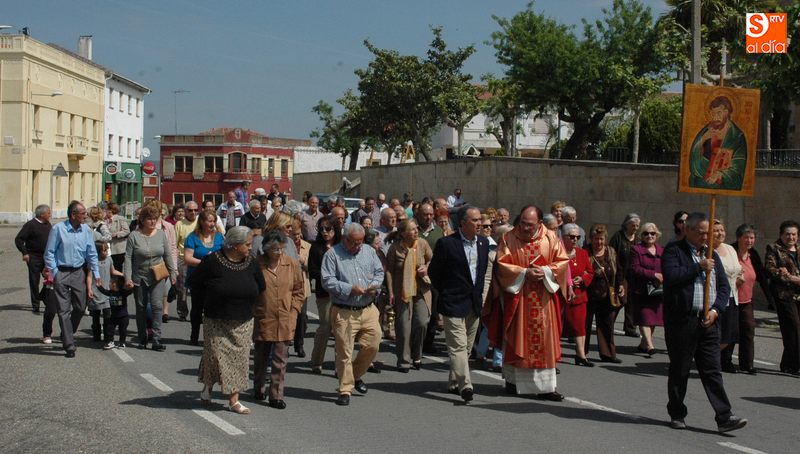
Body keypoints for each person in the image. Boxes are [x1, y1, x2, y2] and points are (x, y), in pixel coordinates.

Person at [662, 212, 746, 433]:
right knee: (680, 368)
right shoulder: (674, 251)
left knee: (712, 370)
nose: (705, 237)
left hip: (708, 321)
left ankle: (724, 416)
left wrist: (717, 310)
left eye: (707, 233)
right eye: (700, 233)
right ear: (687, 230)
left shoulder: (712, 255)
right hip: (683, 321)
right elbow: (672, 277)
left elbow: (724, 288)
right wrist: (698, 267)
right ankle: (677, 412)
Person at [483, 205, 569, 401]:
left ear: (539, 223)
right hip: (519, 299)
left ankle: (546, 388)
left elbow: (562, 262)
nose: (525, 227)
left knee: (544, 341)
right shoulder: (509, 238)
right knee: (517, 338)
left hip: (543, 300)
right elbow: (502, 264)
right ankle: (513, 382)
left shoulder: (551, 238)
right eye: (522, 222)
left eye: (530, 224)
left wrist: (546, 271)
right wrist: (524, 273)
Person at [190, 226, 265, 415]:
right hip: (216, 319)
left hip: (243, 320)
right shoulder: (212, 262)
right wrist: (203, 307)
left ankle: (234, 400)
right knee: (214, 356)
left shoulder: (252, 263)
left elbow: (261, 286)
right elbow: (196, 284)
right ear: (234, 245)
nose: (250, 248)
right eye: (247, 244)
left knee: (239, 360)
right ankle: (208, 385)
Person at [428, 206, 489, 403]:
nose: (479, 223)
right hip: (452, 302)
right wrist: (445, 292)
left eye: (480, 220)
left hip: (473, 303)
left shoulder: (483, 243)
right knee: (458, 346)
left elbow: (482, 273)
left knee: (467, 347)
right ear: (463, 223)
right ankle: (466, 385)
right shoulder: (447, 243)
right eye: (475, 220)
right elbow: (434, 273)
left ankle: (454, 381)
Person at [321, 223, 385, 406]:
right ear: (345, 239)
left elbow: (379, 272)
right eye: (354, 243)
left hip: (368, 308)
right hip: (344, 310)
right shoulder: (332, 255)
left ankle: (355, 375)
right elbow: (327, 280)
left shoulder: (369, 251)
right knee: (344, 352)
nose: (358, 246)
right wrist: (349, 289)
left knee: (373, 344)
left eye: (361, 242)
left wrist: (374, 286)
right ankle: (345, 389)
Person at [252, 230, 304, 409]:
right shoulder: (256, 264)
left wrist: (294, 311)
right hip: (263, 317)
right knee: (261, 357)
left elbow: (299, 290)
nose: (279, 253)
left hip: (285, 318)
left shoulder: (291, 264)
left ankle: (276, 395)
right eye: (275, 249)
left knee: (280, 360)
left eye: (281, 249)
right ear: (266, 249)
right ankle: (258, 387)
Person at [44, 201, 101, 358]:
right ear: (73, 215)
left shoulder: (86, 230)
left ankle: (67, 332)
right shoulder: (58, 229)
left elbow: (91, 253)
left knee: (80, 307)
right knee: (63, 310)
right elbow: (49, 252)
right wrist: (55, 272)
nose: (85, 216)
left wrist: (96, 273)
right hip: (61, 271)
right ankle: (69, 344)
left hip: (78, 272)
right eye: (83, 213)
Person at [124, 205, 177, 351]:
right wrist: (127, 277)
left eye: (155, 219)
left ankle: (156, 338)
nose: (153, 222)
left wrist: (173, 273)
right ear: (142, 220)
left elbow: (167, 255)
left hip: (157, 275)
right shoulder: (134, 236)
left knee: (157, 306)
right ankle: (142, 337)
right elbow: (128, 258)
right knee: (141, 307)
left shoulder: (160, 234)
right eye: (149, 219)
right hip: (139, 276)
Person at [386, 219, 433, 372]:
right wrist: (391, 292)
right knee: (404, 328)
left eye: (416, 228)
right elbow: (389, 271)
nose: (415, 231)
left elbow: (431, 259)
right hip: (403, 292)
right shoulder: (395, 248)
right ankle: (404, 360)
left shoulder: (422, 244)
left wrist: (426, 267)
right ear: (403, 233)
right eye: (412, 229)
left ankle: (417, 355)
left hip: (421, 290)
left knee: (421, 322)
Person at [731, 224, 772, 374]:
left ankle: (747, 364)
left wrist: (770, 300)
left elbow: (761, 276)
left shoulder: (753, 254)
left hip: (747, 299)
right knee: (731, 330)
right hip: (731, 298)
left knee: (748, 330)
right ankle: (725, 360)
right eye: (746, 237)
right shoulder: (731, 252)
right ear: (739, 238)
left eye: (752, 237)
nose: (749, 240)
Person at [184, 210, 225, 345]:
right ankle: (194, 334)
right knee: (197, 307)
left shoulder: (219, 237)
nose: (212, 224)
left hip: (215, 278)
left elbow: (226, 254)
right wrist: (205, 262)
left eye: (213, 221)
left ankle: (211, 336)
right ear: (202, 222)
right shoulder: (192, 237)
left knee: (213, 308)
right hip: (198, 278)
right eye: (209, 221)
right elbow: (188, 258)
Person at [764, 220, 800, 376]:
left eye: (794, 234)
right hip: (784, 295)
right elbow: (769, 269)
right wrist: (788, 277)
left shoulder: (799, 248)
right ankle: (795, 364)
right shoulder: (774, 248)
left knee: (794, 331)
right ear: (781, 235)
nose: (790, 237)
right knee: (793, 327)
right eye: (787, 234)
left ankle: (787, 363)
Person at [585, 224, 625, 363]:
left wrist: (620, 285)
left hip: (607, 294)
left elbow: (619, 270)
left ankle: (608, 353)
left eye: (601, 239)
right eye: (596, 239)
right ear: (591, 239)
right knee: (586, 324)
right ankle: (582, 352)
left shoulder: (611, 252)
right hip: (589, 294)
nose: (599, 242)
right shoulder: (585, 252)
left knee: (607, 324)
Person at [689, 95, 747, 191]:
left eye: (719, 113)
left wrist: (721, 174)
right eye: (713, 113)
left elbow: (739, 166)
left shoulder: (737, 136)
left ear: (726, 112)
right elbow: (693, 160)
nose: (716, 117)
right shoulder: (706, 131)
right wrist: (703, 139)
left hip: (723, 184)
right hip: (701, 181)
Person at [308, 216, 341, 374]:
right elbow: (312, 270)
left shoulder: (342, 246)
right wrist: (327, 277)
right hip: (324, 293)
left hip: (341, 293)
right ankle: (317, 360)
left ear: (335, 229)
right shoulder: (316, 247)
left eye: (328, 229)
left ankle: (339, 365)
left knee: (340, 330)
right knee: (326, 326)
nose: (324, 232)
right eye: (321, 229)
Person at [628, 222, 665, 357]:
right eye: (646, 233)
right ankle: (650, 346)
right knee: (644, 318)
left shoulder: (662, 251)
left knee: (652, 320)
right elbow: (634, 268)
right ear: (641, 236)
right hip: (641, 290)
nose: (649, 236)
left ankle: (643, 344)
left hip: (657, 291)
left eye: (652, 233)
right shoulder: (636, 250)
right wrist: (653, 274)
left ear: (657, 235)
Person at [562, 223, 594, 366]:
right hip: (561, 295)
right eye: (572, 236)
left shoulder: (582, 253)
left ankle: (581, 355)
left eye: (578, 237)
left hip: (579, 295)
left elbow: (590, 272)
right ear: (564, 237)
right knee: (558, 327)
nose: (575, 239)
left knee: (580, 326)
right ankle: (555, 357)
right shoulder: (558, 252)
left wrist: (582, 278)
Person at [712, 220, 743, 373]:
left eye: (722, 230)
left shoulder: (730, 248)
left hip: (733, 295)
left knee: (731, 333)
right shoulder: (709, 250)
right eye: (716, 230)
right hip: (717, 296)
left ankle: (716, 359)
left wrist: (740, 277)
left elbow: (737, 268)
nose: (720, 233)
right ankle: (709, 358)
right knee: (720, 333)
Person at [15, 204, 52, 313]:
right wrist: (25, 253)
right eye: (48, 213)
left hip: (47, 257)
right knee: (34, 280)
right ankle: (35, 304)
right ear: (42, 214)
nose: (50, 215)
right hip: (34, 257)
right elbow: (19, 239)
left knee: (50, 279)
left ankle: (43, 296)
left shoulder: (47, 224)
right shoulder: (30, 225)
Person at [609, 213, 641, 338]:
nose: (635, 227)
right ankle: (609, 324)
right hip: (620, 272)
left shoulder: (637, 238)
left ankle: (630, 327)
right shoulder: (618, 237)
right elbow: (612, 253)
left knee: (632, 302)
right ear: (626, 224)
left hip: (633, 274)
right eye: (633, 225)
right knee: (620, 300)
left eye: (637, 225)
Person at [290, 217, 312, 358]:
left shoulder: (307, 246)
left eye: (298, 234)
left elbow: (312, 267)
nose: (296, 237)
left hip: (303, 285)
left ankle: (300, 345)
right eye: (294, 234)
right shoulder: (286, 246)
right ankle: (286, 343)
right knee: (289, 316)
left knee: (302, 317)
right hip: (288, 285)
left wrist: (304, 263)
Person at [175, 201, 199, 321]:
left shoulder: (200, 223)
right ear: (185, 211)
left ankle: (198, 312)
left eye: (195, 210)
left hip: (198, 258)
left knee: (198, 288)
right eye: (190, 210)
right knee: (182, 288)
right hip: (182, 259)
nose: (193, 212)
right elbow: (175, 243)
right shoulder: (179, 224)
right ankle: (182, 312)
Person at [105, 202, 130, 272]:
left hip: (119, 249)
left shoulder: (120, 219)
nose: (105, 211)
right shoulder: (105, 220)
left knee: (118, 268)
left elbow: (127, 231)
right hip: (109, 249)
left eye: (106, 209)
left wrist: (116, 234)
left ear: (111, 210)